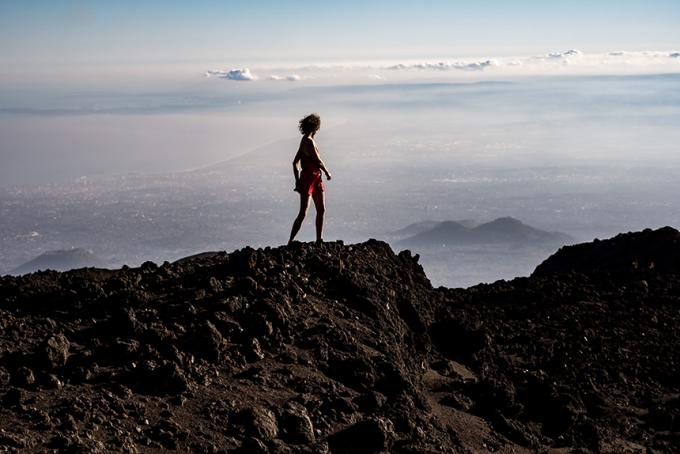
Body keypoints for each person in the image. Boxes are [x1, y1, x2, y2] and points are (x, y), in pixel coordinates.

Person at [289, 113, 332, 244]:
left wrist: (297, 180)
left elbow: (295, 163)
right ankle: (291, 241)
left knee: (320, 210)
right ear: (316, 127)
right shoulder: (309, 141)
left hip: (313, 178)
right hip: (309, 178)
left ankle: (319, 239)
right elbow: (318, 161)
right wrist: (327, 172)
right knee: (304, 212)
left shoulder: (304, 140)